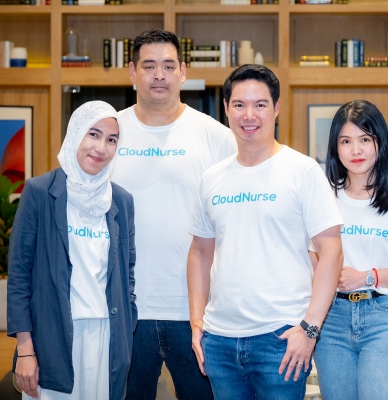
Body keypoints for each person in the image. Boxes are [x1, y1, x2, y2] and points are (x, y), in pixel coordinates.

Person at [187, 64, 344, 400]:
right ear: (226, 108)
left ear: (276, 108)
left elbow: (331, 252)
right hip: (219, 340)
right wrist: (196, 321)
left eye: (260, 104)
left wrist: (310, 330)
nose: (249, 115)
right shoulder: (212, 178)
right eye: (239, 104)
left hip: (281, 339)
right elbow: (200, 251)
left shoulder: (302, 171)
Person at [110, 29, 237, 399]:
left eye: (168, 66)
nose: (159, 75)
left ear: (182, 71)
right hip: (125, 309)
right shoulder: (108, 133)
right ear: (132, 72)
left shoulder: (216, 136)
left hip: (197, 311)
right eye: (149, 66)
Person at [7, 100, 137, 400]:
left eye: (112, 139)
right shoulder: (39, 192)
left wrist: (126, 332)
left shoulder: (121, 201)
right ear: (76, 132)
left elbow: (127, 275)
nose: (101, 147)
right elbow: (19, 276)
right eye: (94, 134)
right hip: (52, 335)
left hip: (107, 336)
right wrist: (25, 350)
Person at [310, 100, 388, 400]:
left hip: (383, 317)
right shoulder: (324, 199)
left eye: (365, 139)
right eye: (346, 141)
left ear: (380, 143)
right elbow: (311, 256)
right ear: (335, 148)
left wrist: (367, 277)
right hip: (332, 317)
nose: (356, 150)